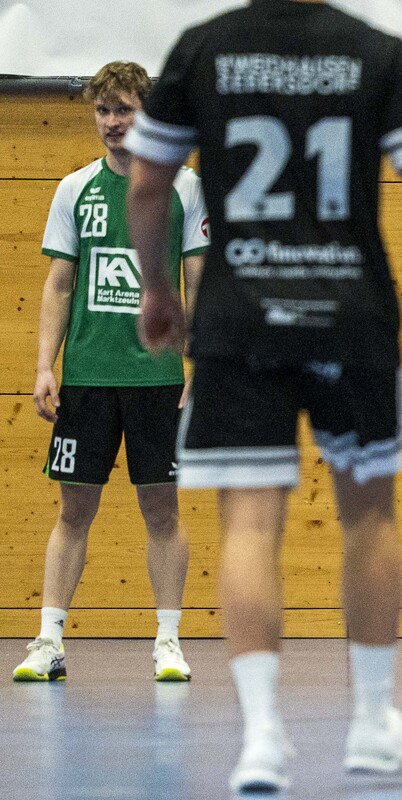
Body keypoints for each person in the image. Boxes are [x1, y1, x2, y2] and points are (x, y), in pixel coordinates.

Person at [124, 0, 402, 791]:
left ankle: (262, 738)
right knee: (369, 516)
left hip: (239, 318)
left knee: (248, 524)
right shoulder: (377, 51)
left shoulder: (202, 49)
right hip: (350, 315)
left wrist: (157, 290)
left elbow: (149, 183)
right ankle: (372, 724)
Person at [12, 62, 208, 684]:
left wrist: (200, 364)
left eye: (124, 109)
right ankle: (48, 642)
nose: (113, 122)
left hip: (159, 381)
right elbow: (59, 283)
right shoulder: (75, 189)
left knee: (162, 512)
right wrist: (45, 365)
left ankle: (168, 642)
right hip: (87, 378)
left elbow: (199, 280)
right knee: (73, 511)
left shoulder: (186, 187)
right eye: (103, 111)